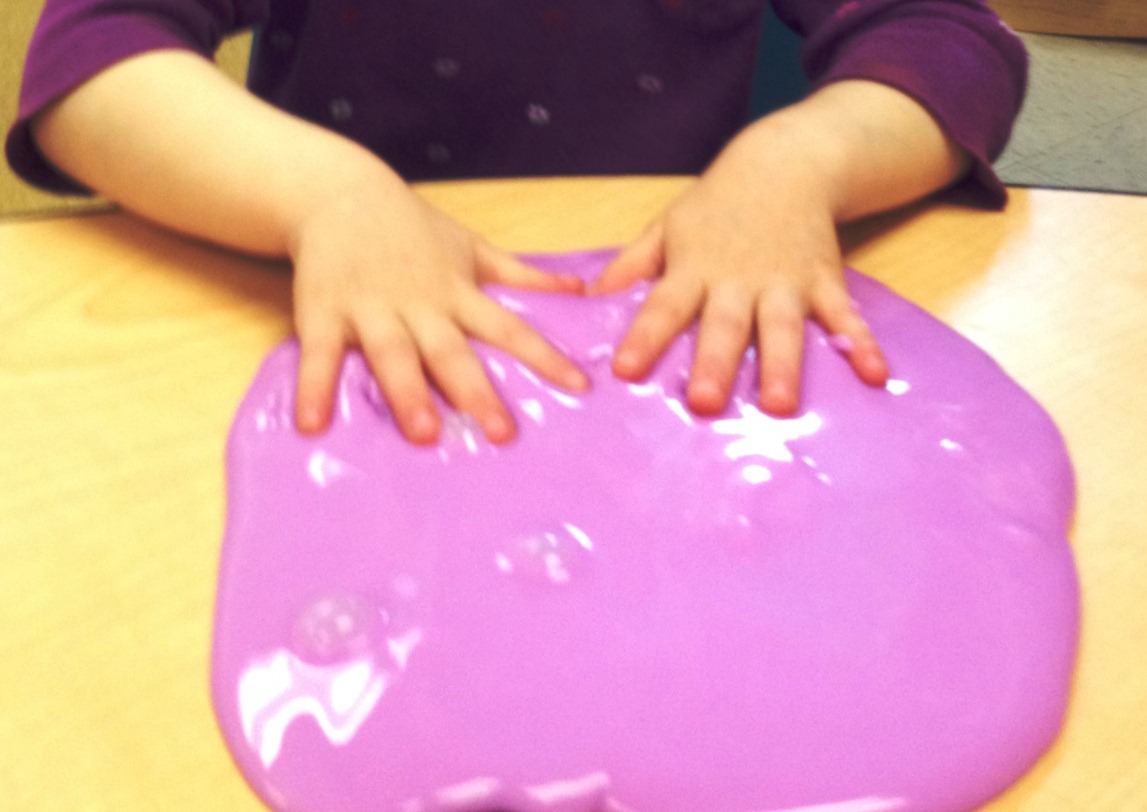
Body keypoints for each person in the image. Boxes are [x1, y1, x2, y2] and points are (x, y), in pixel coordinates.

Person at [5, 0, 1027, 445]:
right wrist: (324, 193)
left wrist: (799, 160)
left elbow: (949, 40)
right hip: (339, 308)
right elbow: (91, 56)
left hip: (653, 349)